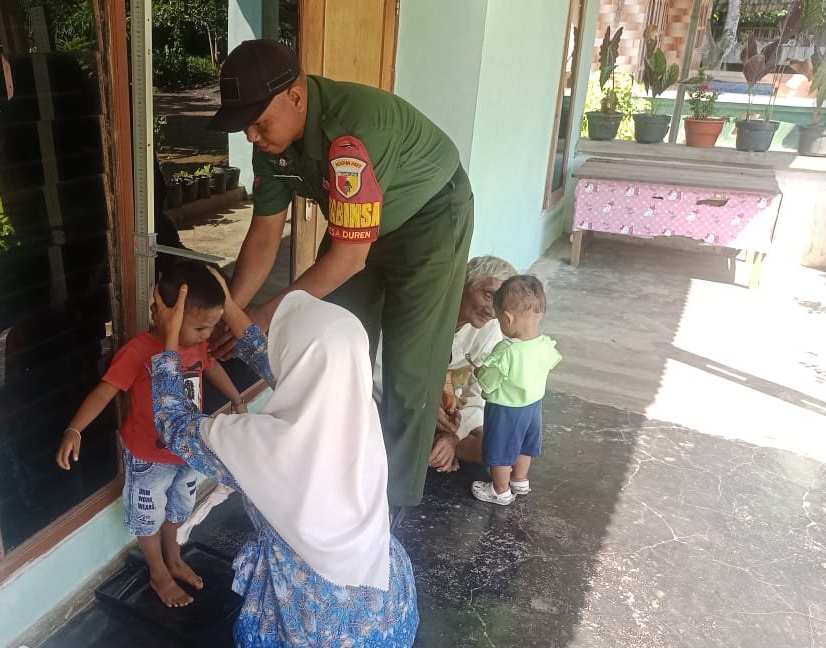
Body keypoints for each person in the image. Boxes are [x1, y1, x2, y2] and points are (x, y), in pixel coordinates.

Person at [206, 39, 473, 513]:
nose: (251, 136)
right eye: (244, 124)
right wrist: (233, 312)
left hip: (429, 219)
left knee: (410, 370)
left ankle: (388, 508)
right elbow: (265, 234)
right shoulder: (272, 141)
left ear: (295, 96)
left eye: (258, 122)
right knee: (333, 348)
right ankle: (339, 471)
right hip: (356, 229)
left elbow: (347, 260)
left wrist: (266, 314)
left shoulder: (354, 135)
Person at [150, 270, 418, 647]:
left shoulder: (261, 446)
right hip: (386, 603)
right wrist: (227, 304)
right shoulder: (355, 407)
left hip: (315, 619)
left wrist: (169, 342)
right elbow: (286, 368)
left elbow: (173, 423)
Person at [55, 263, 246, 607]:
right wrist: (75, 428)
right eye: (200, 327)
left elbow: (212, 367)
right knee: (148, 517)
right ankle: (158, 572)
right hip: (149, 457)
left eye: (212, 327)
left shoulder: (197, 346)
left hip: (187, 451)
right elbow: (105, 391)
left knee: (179, 508)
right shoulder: (139, 351)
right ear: (163, 315)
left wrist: (237, 397)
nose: (206, 336)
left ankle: (174, 559)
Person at [470, 275, 562, 506]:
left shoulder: (506, 350)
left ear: (508, 317)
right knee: (524, 445)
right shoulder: (545, 344)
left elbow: (489, 382)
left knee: (500, 448)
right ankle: (520, 480)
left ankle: (499, 490)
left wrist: (480, 371)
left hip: (505, 409)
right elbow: (547, 365)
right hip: (533, 406)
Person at [427, 256, 518, 473]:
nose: (492, 311)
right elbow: (384, 372)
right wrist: (426, 409)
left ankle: (440, 446)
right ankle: (427, 442)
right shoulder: (429, 311)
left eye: (500, 303)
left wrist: (454, 435)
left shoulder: (490, 329)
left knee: (500, 448)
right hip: (410, 403)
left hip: (452, 411)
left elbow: (482, 388)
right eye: (488, 295)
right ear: (464, 283)